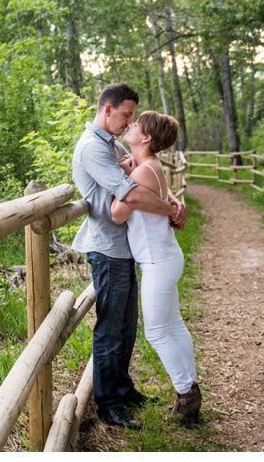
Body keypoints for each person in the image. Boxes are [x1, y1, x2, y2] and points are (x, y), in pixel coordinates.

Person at [72, 83, 187, 430]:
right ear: (108, 110)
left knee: (126, 325)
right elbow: (131, 195)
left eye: (133, 117)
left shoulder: (113, 144)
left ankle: (123, 389)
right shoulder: (92, 147)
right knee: (110, 329)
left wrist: (171, 201)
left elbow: (145, 174)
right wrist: (169, 209)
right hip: (107, 249)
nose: (128, 122)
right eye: (126, 115)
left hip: (127, 250)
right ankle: (108, 402)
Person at [110, 110, 201, 423]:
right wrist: (129, 170)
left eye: (135, 125)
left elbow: (116, 214)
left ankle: (186, 394)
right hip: (165, 257)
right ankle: (189, 388)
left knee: (158, 332)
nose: (130, 126)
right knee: (173, 325)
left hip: (157, 262)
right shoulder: (150, 166)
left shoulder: (142, 171)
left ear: (145, 138)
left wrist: (122, 175)